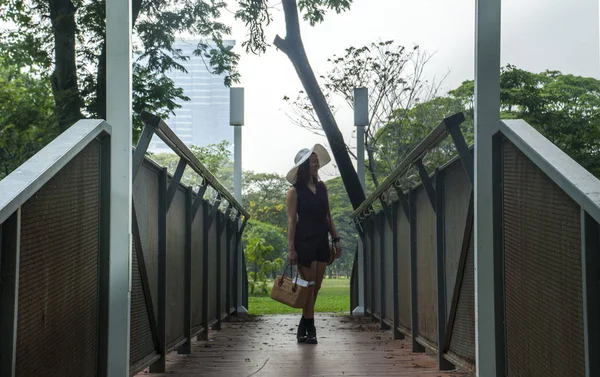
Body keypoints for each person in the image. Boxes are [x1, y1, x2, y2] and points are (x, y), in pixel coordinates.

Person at [285, 144, 343, 344]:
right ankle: (310, 326)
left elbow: (328, 216)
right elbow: (292, 221)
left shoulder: (322, 188)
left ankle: (305, 321)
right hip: (304, 241)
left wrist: (335, 239)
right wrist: (291, 248)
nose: (317, 163)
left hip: (321, 240)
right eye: (313, 160)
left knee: (316, 286)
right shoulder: (294, 191)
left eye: (317, 160)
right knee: (308, 285)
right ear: (304, 166)